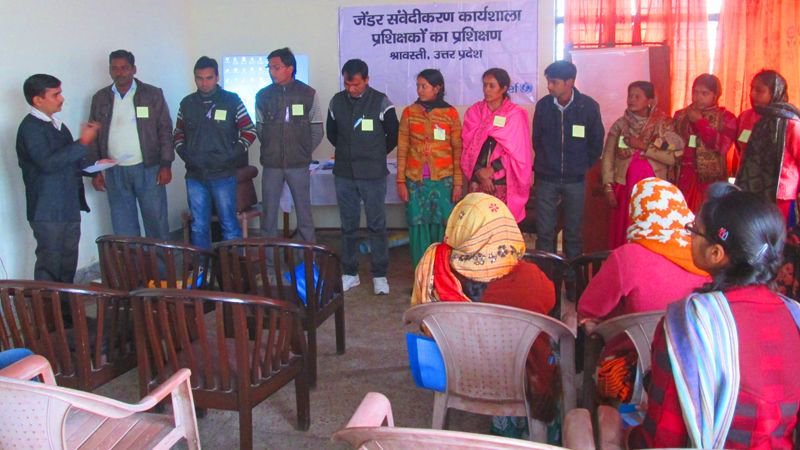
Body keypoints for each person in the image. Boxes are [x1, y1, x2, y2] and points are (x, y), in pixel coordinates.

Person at [629, 183, 800, 448]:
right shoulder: (794, 317)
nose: (689, 236)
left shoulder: (690, 326)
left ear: (715, 253)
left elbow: (663, 439)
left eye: (693, 231)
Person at [411, 192, 558, 437]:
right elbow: (551, 301)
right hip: (516, 377)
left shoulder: (438, 272)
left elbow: (421, 324)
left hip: (458, 371)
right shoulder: (530, 278)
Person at [579, 177, 708, 403]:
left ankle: (594, 412)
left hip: (632, 369)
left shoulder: (628, 257)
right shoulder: (705, 259)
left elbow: (589, 308)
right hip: (692, 374)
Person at [16, 74, 100, 282]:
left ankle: (65, 311)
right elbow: (48, 163)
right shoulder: (30, 128)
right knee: (50, 265)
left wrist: (97, 166)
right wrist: (82, 143)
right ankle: (47, 313)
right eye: (56, 94)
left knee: (68, 262)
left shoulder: (58, 126)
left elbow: (68, 161)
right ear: (38, 100)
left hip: (68, 205)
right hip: (47, 209)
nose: (62, 98)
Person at [326, 59, 399, 295]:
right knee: (348, 226)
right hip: (345, 173)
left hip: (373, 174)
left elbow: (394, 134)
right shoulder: (337, 101)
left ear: (366, 80)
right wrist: (350, 152)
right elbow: (332, 133)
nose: (351, 89)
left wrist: (374, 154)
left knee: (377, 225)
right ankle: (350, 273)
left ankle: (379, 274)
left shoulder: (380, 101)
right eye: (348, 84)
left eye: (356, 84)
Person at [88, 49, 174, 240]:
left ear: (134, 69)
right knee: (124, 229)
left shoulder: (152, 94)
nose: (120, 73)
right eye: (114, 68)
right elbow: (92, 136)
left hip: (148, 169)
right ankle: (132, 270)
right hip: (114, 171)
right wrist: (95, 172)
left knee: (156, 224)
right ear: (110, 71)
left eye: (124, 68)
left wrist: (166, 164)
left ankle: (161, 270)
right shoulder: (100, 98)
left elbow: (165, 130)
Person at [173, 56, 256, 249]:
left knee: (229, 225)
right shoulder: (187, 103)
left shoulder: (231, 100)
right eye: (199, 78)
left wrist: (231, 155)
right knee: (199, 227)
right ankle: (203, 270)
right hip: (195, 175)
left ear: (217, 77)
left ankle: (233, 271)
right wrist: (185, 153)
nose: (204, 83)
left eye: (209, 77)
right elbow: (178, 133)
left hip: (224, 175)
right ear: (194, 78)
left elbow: (249, 131)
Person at [533, 60, 604, 260]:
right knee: (545, 233)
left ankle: (573, 284)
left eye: (554, 82)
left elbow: (596, 143)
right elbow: (536, 141)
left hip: (576, 181)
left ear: (569, 82)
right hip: (547, 179)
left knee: (573, 235)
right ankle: (545, 281)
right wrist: (547, 164)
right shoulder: (544, 106)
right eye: (548, 81)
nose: (549, 86)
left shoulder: (588, 107)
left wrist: (580, 166)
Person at [601, 81, 684, 249]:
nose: (631, 100)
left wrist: (644, 147)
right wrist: (608, 187)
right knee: (625, 230)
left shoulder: (663, 125)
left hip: (655, 192)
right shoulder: (620, 125)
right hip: (625, 190)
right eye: (630, 96)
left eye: (637, 96)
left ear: (650, 101)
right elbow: (608, 157)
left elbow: (673, 157)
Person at [256, 47, 323, 243]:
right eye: (270, 67)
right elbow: (261, 130)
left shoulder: (308, 93)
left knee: (304, 215)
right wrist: (273, 148)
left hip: (298, 164)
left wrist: (301, 151)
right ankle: (268, 266)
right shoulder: (263, 96)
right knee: (268, 216)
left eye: (276, 67)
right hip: (271, 165)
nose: (272, 71)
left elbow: (317, 130)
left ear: (290, 68)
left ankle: (307, 265)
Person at [396, 69, 462, 267]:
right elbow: (403, 149)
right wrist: (400, 181)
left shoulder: (450, 113)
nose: (420, 90)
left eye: (424, 86)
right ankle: (422, 277)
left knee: (442, 226)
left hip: (443, 181)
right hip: (415, 182)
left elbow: (457, 150)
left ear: (437, 88)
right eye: (418, 85)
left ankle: (441, 276)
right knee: (418, 226)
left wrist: (458, 184)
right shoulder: (409, 112)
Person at [460, 68, 532, 223]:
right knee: (477, 225)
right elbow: (467, 148)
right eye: (484, 85)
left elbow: (517, 153)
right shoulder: (474, 112)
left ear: (504, 88)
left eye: (492, 86)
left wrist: (491, 171)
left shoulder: (515, 114)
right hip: (477, 178)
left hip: (503, 181)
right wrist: (480, 173)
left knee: (499, 225)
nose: (487, 90)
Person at [735, 69, 800, 222]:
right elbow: (740, 149)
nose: (752, 94)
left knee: (774, 235)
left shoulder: (790, 123)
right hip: (749, 188)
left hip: (779, 194)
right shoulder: (746, 117)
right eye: (751, 88)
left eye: (759, 90)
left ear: (775, 92)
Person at [673, 73, 737, 213]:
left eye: (704, 93)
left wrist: (700, 122)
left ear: (715, 96)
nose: (698, 97)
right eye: (695, 92)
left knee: (708, 217)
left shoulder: (726, 118)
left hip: (711, 180)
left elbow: (722, 146)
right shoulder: (680, 115)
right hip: (684, 175)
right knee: (683, 215)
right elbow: (672, 143)